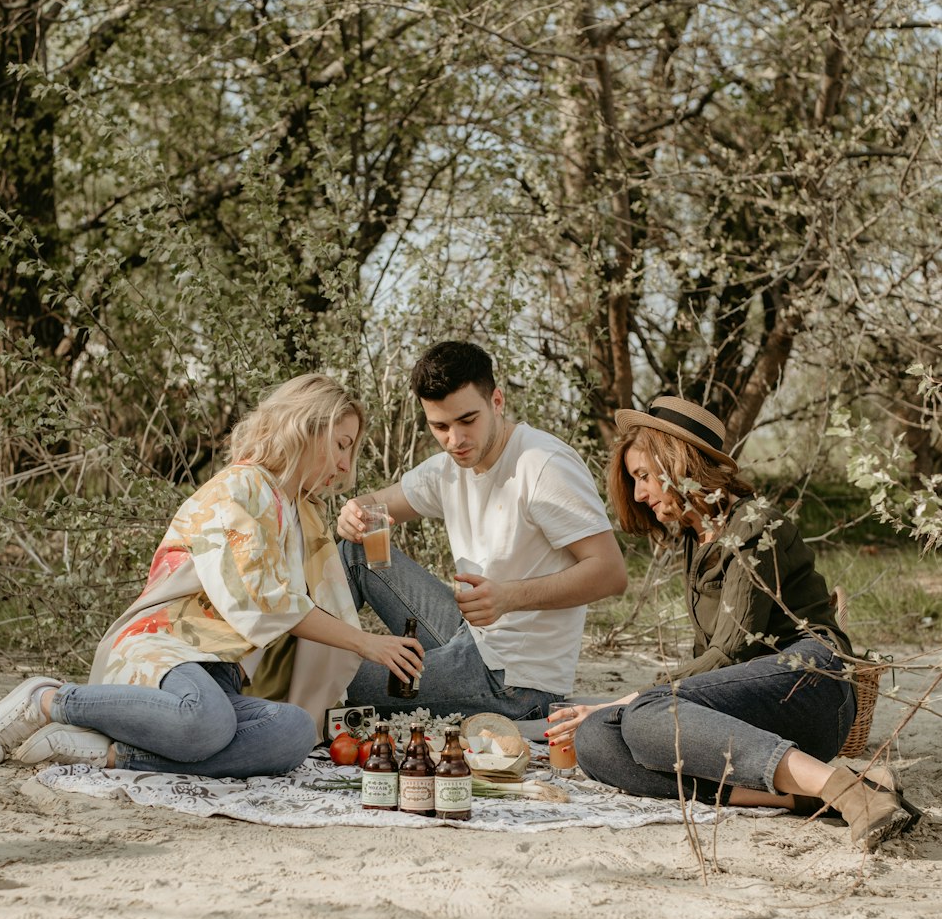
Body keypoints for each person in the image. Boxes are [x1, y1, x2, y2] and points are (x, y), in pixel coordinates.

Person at [0, 375, 423, 779]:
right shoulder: (239, 487)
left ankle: (108, 755)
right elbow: (263, 601)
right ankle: (49, 700)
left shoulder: (302, 513)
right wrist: (368, 643)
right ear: (305, 426)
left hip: (221, 673)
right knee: (204, 722)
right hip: (163, 650)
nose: (346, 465)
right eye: (341, 444)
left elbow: (313, 608)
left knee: (294, 730)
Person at [548, 396, 921, 851]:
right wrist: (626, 709)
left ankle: (848, 793)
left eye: (644, 476)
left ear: (677, 461)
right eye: (635, 481)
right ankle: (809, 794)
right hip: (754, 717)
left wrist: (634, 698)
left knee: (641, 712)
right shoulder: (696, 536)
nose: (641, 494)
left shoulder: (753, 523)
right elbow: (713, 671)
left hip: (812, 685)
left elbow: (731, 650)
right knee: (596, 740)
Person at [328, 340, 627, 720]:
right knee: (355, 551)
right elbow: (373, 505)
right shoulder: (448, 468)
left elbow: (611, 573)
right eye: (440, 426)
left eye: (468, 420)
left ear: (497, 401)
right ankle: (304, 651)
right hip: (465, 635)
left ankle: (301, 679)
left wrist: (508, 598)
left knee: (339, 681)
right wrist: (353, 513)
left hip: (513, 680)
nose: (455, 440)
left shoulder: (543, 465)